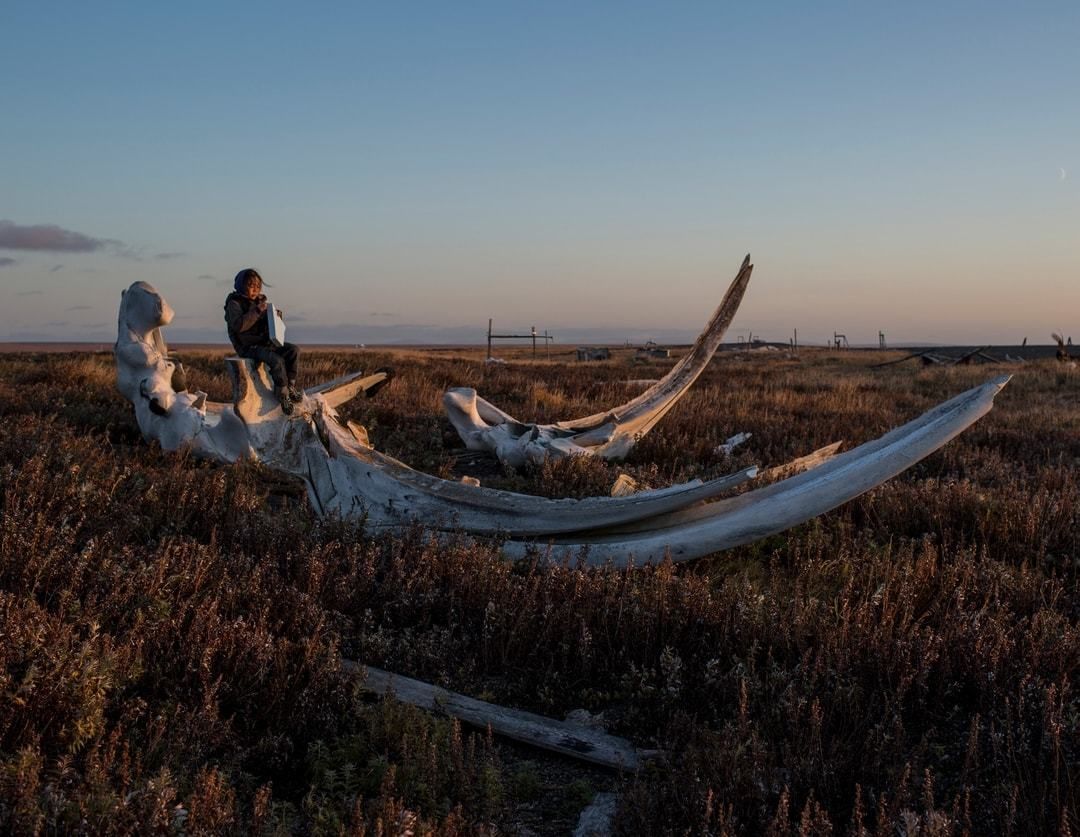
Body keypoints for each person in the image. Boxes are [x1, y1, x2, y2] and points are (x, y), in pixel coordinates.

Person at [224, 268, 302, 414]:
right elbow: (239, 326)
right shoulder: (234, 304)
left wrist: (275, 317)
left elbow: (266, 323)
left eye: (258, 286)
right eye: (251, 285)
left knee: (293, 351)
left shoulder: (260, 301)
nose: (255, 290)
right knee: (276, 360)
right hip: (247, 346)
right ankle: (282, 393)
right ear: (241, 285)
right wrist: (258, 311)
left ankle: (290, 386)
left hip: (265, 341)